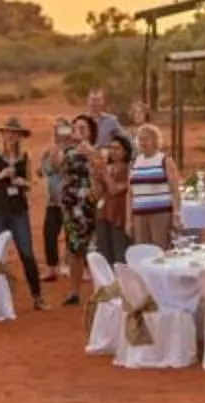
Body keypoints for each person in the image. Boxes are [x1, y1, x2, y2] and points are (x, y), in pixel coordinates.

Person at [0, 116, 46, 309]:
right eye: (8, 132)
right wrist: (2, 175)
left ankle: (37, 296)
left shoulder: (25, 156)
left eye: (15, 133)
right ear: (2, 134)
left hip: (18, 209)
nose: (11, 136)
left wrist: (22, 182)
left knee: (26, 252)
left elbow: (31, 183)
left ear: (20, 136)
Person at [58, 115, 101, 304]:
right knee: (74, 248)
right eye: (76, 128)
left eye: (83, 128)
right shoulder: (67, 151)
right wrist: (57, 140)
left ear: (91, 131)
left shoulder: (98, 150)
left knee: (94, 248)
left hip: (90, 204)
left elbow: (100, 171)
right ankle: (74, 291)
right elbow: (54, 166)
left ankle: (99, 290)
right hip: (71, 206)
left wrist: (90, 153)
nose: (79, 131)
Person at [127, 125, 177, 250]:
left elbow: (175, 190)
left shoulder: (164, 160)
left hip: (160, 213)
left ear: (155, 140)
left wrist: (176, 214)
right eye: (140, 139)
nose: (142, 142)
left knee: (160, 251)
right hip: (139, 215)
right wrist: (129, 220)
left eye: (146, 139)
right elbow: (130, 194)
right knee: (142, 252)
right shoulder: (134, 162)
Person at [39, 120, 77, 281]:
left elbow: (57, 166)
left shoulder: (73, 150)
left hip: (70, 200)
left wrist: (60, 146)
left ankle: (68, 265)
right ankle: (52, 267)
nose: (60, 132)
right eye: (57, 128)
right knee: (49, 233)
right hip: (52, 200)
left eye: (63, 128)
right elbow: (42, 171)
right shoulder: (48, 150)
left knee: (70, 234)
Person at [94, 136, 134, 265]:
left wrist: (104, 172)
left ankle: (121, 277)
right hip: (103, 213)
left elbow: (114, 190)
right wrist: (94, 175)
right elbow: (97, 193)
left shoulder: (129, 170)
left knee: (119, 254)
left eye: (117, 148)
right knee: (104, 253)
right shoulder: (108, 168)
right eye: (110, 148)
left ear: (126, 151)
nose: (113, 151)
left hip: (120, 216)